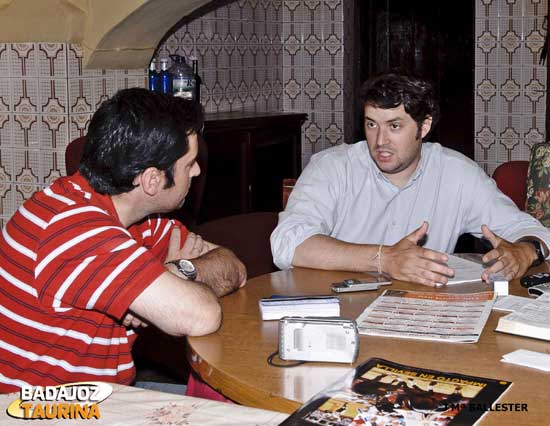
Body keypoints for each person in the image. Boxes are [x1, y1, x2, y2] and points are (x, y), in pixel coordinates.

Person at [0, 88, 246, 392]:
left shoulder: (138, 218)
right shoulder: (75, 230)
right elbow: (202, 315)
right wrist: (174, 284)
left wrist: (178, 270)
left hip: (106, 396)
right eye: (189, 164)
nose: (197, 171)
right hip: (39, 410)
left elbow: (233, 267)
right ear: (152, 181)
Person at [271, 72, 550, 287]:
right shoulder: (332, 167)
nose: (380, 141)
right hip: (335, 312)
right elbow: (287, 242)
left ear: (424, 126)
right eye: (371, 124)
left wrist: (525, 251)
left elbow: (530, 230)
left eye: (394, 126)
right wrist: (384, 258)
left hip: (421, 313)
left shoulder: (457, 173)